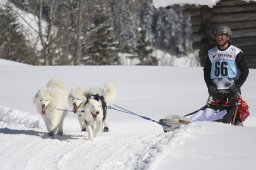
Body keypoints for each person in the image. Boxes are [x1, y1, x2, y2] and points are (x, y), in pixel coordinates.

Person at [182, 25, 250, 126]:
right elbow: (206, 72)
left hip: (232, 92)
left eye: (222, 35)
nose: (219, 37)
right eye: (217, 35)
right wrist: (210, 86)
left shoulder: (236, 52)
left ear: (228, 37)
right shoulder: (211, 53)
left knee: (236, 121)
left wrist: (237, 86)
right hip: (216, 93)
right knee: (211, 118)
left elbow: (245, 71)